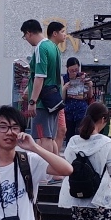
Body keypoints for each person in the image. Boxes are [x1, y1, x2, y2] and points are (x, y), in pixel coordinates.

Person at [21, 18, 64, 152]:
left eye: (24, 36)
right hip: (54, 99)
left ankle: (45, 170)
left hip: (42, 102)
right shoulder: (53, 47)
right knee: (50, 137)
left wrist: (32, 101)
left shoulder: (40, 47)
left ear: (28, 33)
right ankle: (56, 169)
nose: (26, 39)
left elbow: (40, 76)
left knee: (42, 136)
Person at [61, 57, 93, 143]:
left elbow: (90, 96)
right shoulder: (64, 78)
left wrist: (90, 86)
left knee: (81, 134)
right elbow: (62, 99)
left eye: (76, 69)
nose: (74, 72)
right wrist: (64, 88)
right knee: (69, 136)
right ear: (67, 68)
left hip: (81, 109)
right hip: (68, 110)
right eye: (72, 70)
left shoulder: (83, 77)